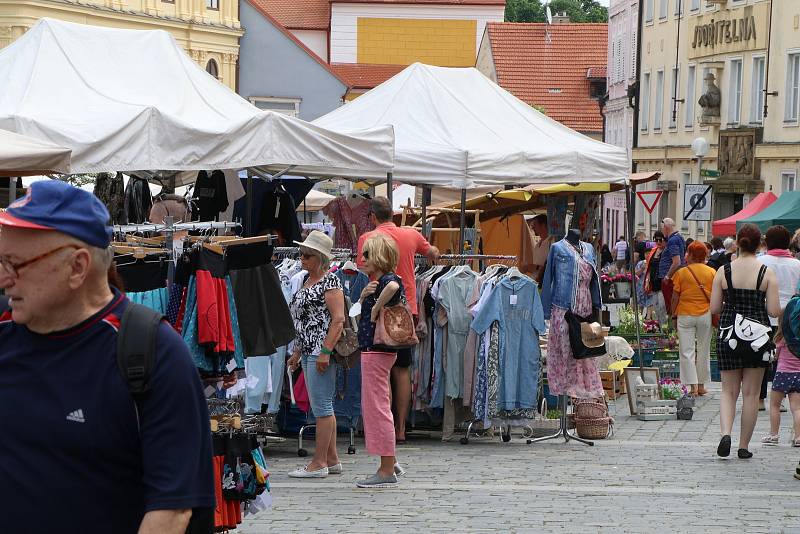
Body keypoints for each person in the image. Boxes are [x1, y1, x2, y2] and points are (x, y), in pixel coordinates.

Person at [0, 180, 214, 533]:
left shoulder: (152, 352)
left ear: (77, 267)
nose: (4, 279)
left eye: (15, 264)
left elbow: (172, 512)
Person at [357, 197, 439, 443]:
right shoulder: (410, 235)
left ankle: (386, 428)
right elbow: (433, 253)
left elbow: (362, 268)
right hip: (406, 311)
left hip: (378, 311)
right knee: (402, 370)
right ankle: (401, 428)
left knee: (381, 372)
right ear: (392, 214)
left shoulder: (367, 239)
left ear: (372, 216)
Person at [710, 224, 781, 459]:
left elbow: (714, 307)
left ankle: (725, 434)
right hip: (757, 339)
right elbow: (772, 311)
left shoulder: (724, 271)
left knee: (728, 391)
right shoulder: (766, 272)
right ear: (759, 243)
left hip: (729, 334)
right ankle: (743, 446)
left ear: (738, 242)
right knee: (751, 394)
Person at [287, 231, 346, 478]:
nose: (302, 259)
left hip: (321, 350)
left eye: (307, 255)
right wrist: (298, 351)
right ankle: (331, 459)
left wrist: (325, 352)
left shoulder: (330, 282)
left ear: (320, 258)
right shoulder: (305, 282)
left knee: (322, 406)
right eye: (301, 254)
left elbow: (338, 319)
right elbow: (305, 321)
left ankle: (319, 462)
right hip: (310, 348)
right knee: (322, 405)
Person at [355, 234, 404, 488]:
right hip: (376, 350)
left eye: (366, 255)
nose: (362, 260)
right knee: (379, 404)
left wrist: (375, 308)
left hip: (376, 350)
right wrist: (365, 298)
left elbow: (394, 287)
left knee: (377, 407)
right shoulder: (380, 281)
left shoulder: (388, 280)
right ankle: (390, 460)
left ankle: (386, 469)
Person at [756, 225, 800, 410]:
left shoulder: (760, 261)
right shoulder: (797, 264)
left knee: (761, 357)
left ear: (767, 242)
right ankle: (780, 397)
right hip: (790, 318)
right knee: (784, 357)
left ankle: (759, 399)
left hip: (764, 314)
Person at [671, 241, 717, 397]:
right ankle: (702, 385)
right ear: (704, 255)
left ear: (690, 255)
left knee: (686, 351)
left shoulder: (681, 273)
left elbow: (675, 296)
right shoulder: (712, 272)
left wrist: (673, 314)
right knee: (704, 350)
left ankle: (692, 387)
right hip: (705, 314)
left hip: (685, 314)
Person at [761, 327, 800, 447]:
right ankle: (798, 436)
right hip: (798, 375)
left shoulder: (782, 338)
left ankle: (774, 435)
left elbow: (776, 356)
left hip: (782, 374)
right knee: (797, 408)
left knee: (774, 405)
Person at [659, 218, 686, 313]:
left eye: (662, 228)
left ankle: (671, 325)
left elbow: (676, 262)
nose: (662, 231)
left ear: (666, 227)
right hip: (677, 277)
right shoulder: (679, 237)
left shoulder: (672, 240)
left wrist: (667, 276)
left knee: (671, 305)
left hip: (671, 279)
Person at [644, 231, 668, 324]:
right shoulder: (654, 251)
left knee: (662, 305)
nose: (658, 242)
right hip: (653, 282)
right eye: (656, 239)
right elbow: (649, 267)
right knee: (656, 305)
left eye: (660, 239)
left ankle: (664, 325)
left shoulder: (667, 251)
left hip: (662, 282)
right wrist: (647, 280)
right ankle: (660, 325)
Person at [529, 214, 554, 284]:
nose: (533, 228)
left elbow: (552, 266)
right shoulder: (537, 245)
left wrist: (534, 267)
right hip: (534, 282)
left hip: (544, 283)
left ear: (543, 225)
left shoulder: (552, 243)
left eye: (535, 225)